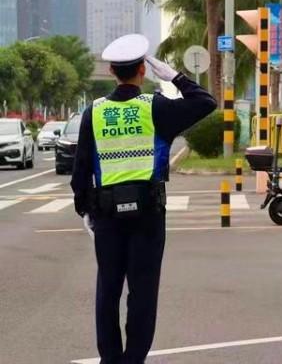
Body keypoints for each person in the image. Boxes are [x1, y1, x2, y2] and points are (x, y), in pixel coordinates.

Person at [70, 34, 217, 364]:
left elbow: (81, 169)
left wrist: (85, 209)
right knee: (143, 291)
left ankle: (110, 359)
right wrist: (175, 77)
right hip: (148, 215)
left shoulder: (95, 112)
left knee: (108, 289)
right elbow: (206, 102)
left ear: (111, 71)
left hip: (107, 215)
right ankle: (134, 358)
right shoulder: (157, 107)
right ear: (143, 70)